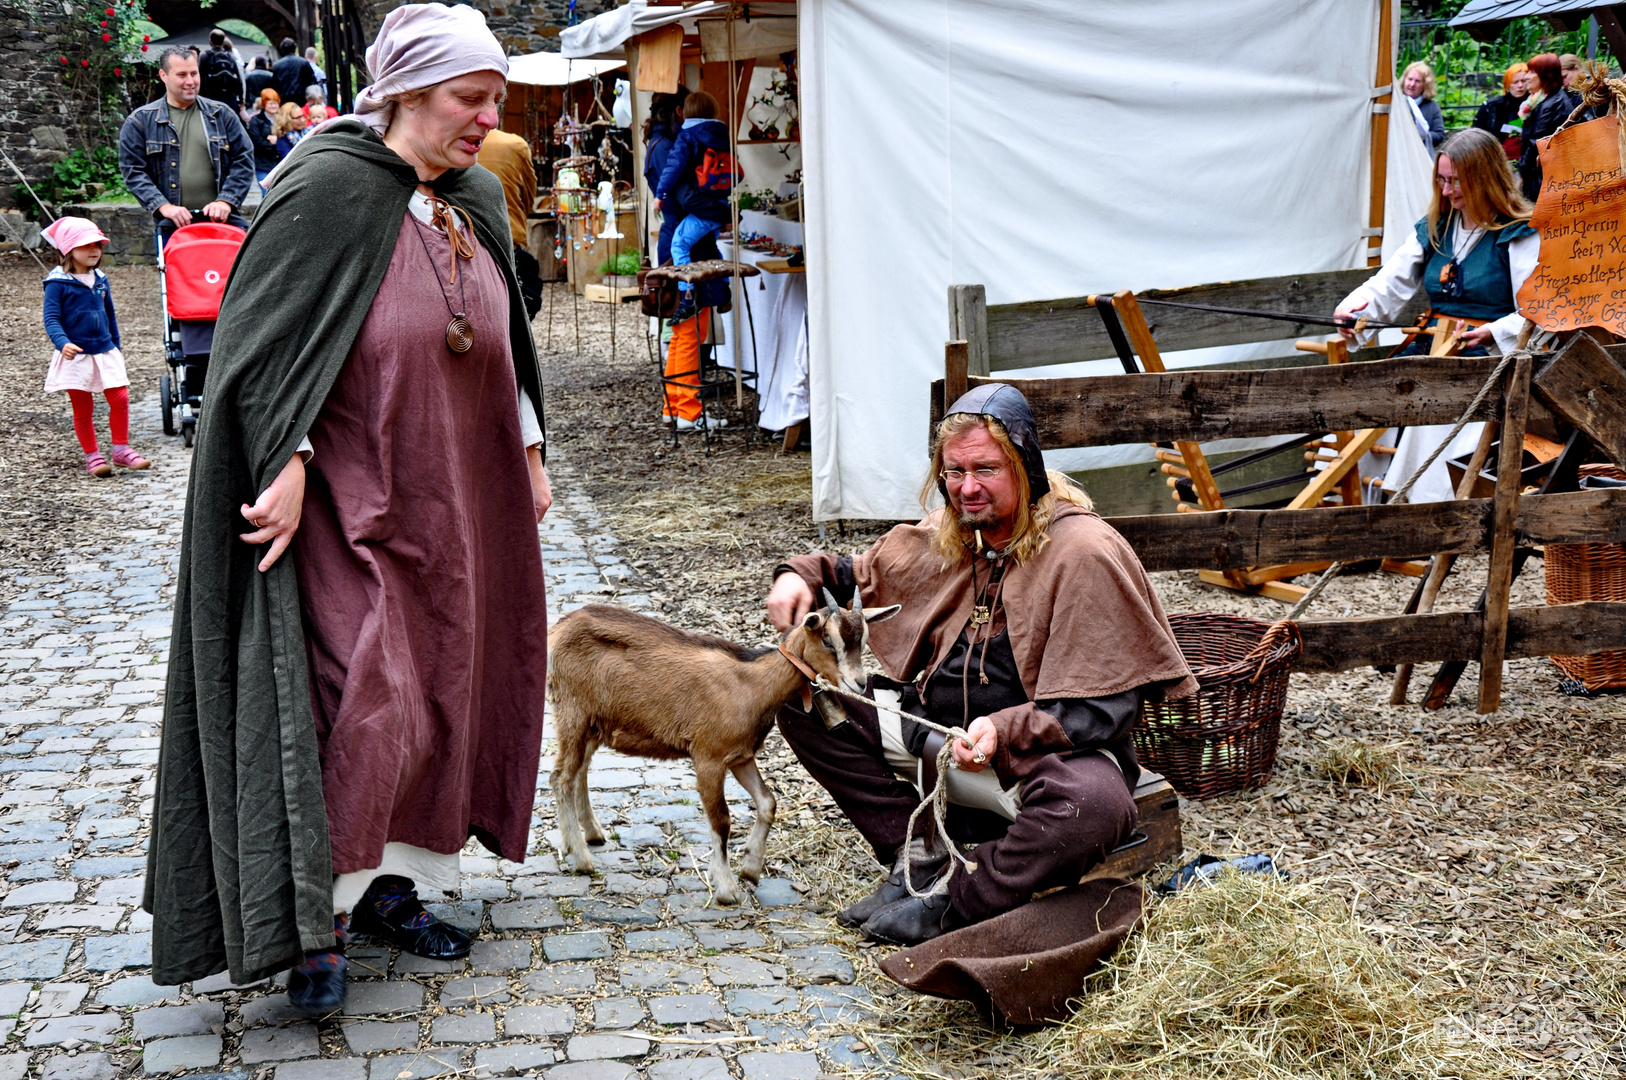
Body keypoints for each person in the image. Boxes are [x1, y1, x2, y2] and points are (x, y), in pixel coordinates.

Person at [146, 1, 553, 1013]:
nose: (486, 116)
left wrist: (533, 449)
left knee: (445, 689)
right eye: (470, 96)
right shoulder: (326, 190)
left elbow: (508, 340)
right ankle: (310, 913)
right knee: (368, 694)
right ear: (407, 90)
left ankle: (394, 886)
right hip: (349, 495)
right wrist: (279, 456)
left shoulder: (475, 199)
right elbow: (263, 348)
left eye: (496, 97)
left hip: (459, 492)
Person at [765, 385, 1196, 945]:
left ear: (1026, 467)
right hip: (936, 736)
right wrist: (798, 575)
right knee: (799, 696)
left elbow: (1104, 711)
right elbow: (848, 569)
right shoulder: (949, 535)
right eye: (954, 471)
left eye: (986, 469)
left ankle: (959, 901)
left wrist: (1002, 728)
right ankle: (919, 856)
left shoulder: (1083, 552)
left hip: (1039, 759)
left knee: (1095, 805)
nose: (967, 487)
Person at [1334, 127, 1536, 502]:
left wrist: (1495, 331)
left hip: (1488, 360)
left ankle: (1426, 510)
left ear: (1485, 179)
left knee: (1433, 404)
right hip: (1432, 346)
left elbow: (1537, 310)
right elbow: (1390, 282)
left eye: (1456, 182)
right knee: (1370, 397)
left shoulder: (1518, 233)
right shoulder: (1436, 228)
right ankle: (1361, 506)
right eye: (1441, 180)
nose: (1445, 191)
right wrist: (1356, 309)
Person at [39, 217, 149, 478]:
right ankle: (92, 455)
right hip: (75, 355)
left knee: (120, 399)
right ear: (68, 250)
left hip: (105, 350)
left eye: (98, 244)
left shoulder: (100, 279)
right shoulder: (57, 283)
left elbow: (110, 315)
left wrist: (116, 346)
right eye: (86, 245)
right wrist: (62, 343)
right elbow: (51, 318)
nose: (94, 250)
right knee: (83, 407)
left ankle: (121, 449)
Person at [118, 46, 255, 229]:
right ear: (163, 75)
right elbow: (133, 170)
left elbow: (244, 158)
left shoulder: (222, 115)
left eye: (194, 73)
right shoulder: (140, 121)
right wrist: (163, 206)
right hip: (174, 226)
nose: (190, 81)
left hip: (221, 223)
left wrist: (226, 201)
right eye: (182, 75)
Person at [653, 89, 740, 323]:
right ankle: (724, 290)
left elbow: (673, 167)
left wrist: (660, 194)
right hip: (720, 200)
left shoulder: (687, 137)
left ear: (684, 113)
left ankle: (687, 297)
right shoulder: (722, 134)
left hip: (702, 208)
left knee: (679, 244)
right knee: (713, 249)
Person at [475, 126, 543, 319]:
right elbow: (529, 197)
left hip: (462, 242)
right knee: (514, 311)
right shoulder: (515, 145)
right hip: (508, 236)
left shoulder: (449, 143)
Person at [1517, 52, 1582, 200]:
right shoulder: (1541, 99)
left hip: (1545, 180)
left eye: (1532, 72)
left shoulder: (1553, 104)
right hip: (1540, 176)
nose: (1526, 77)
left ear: (1546, 75)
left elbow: (1537, 144)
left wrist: (1521, 175)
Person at [1472, 62, 1529, 159]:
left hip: (1525, 160)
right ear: (1507, 84)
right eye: (1515, 82)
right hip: (1496, 159)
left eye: (1523, 81)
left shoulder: (1535, 105)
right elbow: (1475, 134)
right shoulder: (1492, 106)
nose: (1520, 85)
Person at [1399, 60, 1446, 150]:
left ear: (1425, 85)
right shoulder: (1395, 103)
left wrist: (1419, 135)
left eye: (1417, 81)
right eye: (1410, 79)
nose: (1412, 84)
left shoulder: (1432, 107)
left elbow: (1439, 135)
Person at [199, 27, 244, 113]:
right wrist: (241, 99)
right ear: (223, 41)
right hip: (229, 98)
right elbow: (239, 80)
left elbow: (200, 77)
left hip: (210, 97)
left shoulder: (205, 56)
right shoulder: (231, 57)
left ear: (210, 41)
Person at [272, 36, 319, 111]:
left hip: (284, 99)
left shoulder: (277, 65)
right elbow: (312, 81)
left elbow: (274, 85)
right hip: (301, 98)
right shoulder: (303, 62)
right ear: (294, 48)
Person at [246, 88, 282, 181]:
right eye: (270, 103)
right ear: (264, 104)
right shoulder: (256, 121)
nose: (273, 106)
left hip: (280, 163)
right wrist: (274, 144)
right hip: (263, 164)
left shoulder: (282, 119)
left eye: (275, 103)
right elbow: (256, 141)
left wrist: (278, 142)